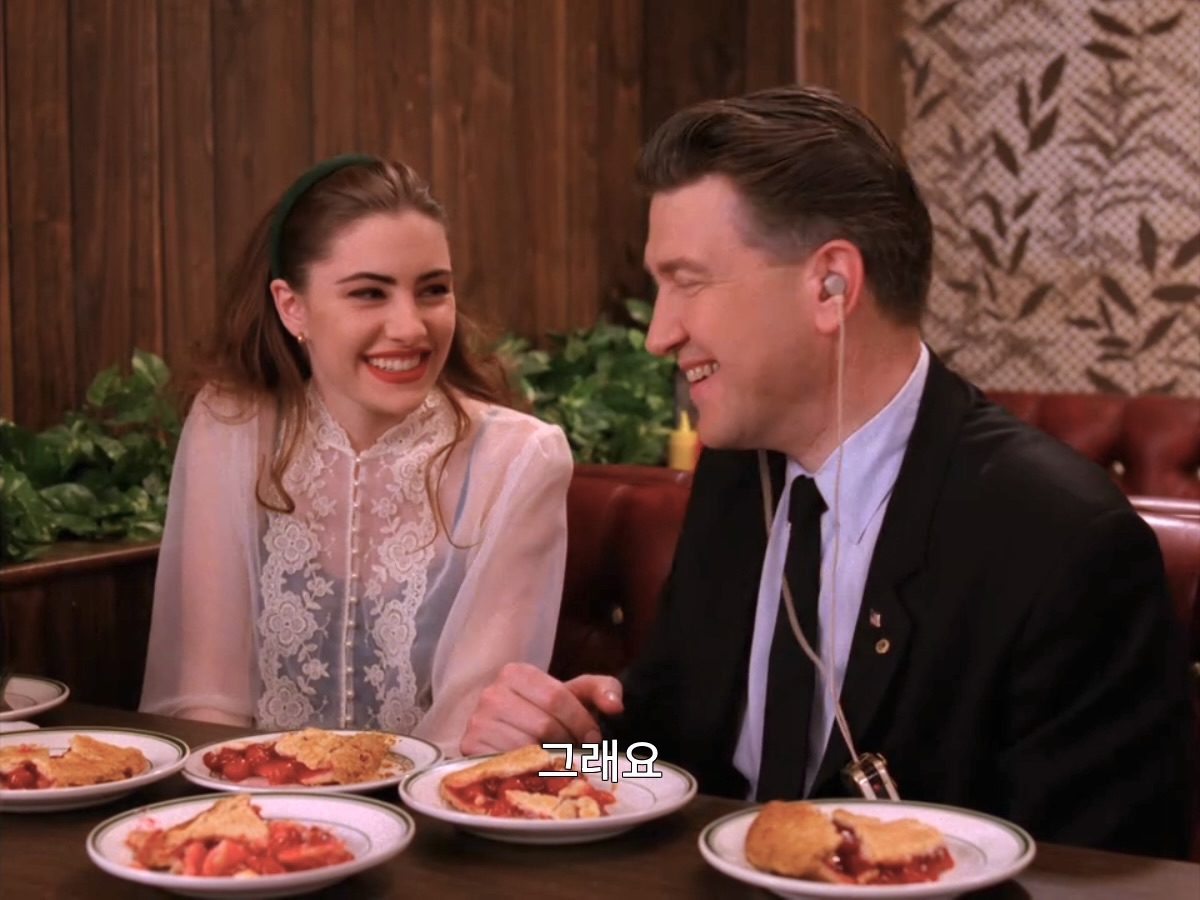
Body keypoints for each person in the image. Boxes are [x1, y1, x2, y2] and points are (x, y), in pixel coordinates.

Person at [459, 87, 1195, 858]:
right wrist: (569, 751)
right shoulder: (737, 475)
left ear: (831, 285)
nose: (659, 333)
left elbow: (1105, 873)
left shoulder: (1061, 540)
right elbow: (680, 762)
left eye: (688, 281)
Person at [139, 154, 574, 756]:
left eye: (433, 290)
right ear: (291, 306)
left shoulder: (522, 460)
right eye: (370, 293)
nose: (410, 327)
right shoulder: (229, 425)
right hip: (251, 803)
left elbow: (469, 737)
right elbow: (208, 704)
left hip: (436, 805)